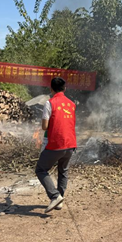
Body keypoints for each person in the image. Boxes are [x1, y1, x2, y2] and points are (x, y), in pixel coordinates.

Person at [35, 77, 77, 213]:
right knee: (63, 171)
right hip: (71, 143)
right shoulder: (71, 104)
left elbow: (44, 126)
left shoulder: (50, 103)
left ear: (51, 89)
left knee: (41, 169)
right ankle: (60, 200)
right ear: (65, 88)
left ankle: (55, 196)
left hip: (56, 143)